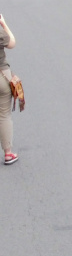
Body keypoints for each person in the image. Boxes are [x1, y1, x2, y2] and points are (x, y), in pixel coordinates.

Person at [0, 13, 18, 165]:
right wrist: (4, 24)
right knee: (4, 115)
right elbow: (11, 43)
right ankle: (8, 153)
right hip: (2, 76)